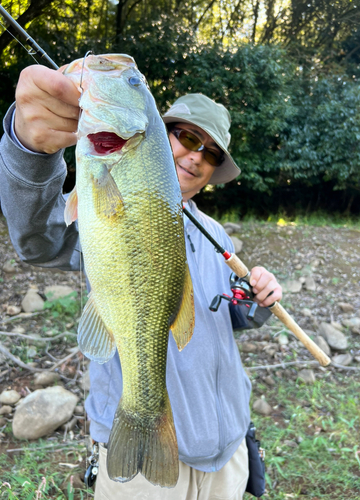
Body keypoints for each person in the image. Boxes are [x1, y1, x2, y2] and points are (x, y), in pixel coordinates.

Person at [0, 63, 282, 500]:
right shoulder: (98, 205)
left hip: (229, 451)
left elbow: (222, 317)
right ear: (156, 132)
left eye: (211, 153)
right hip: (145, 468)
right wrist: (30, 152)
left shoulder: (217, 235)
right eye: (188, 138)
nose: (196, 155)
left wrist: (256, 304)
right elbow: (38, 238)